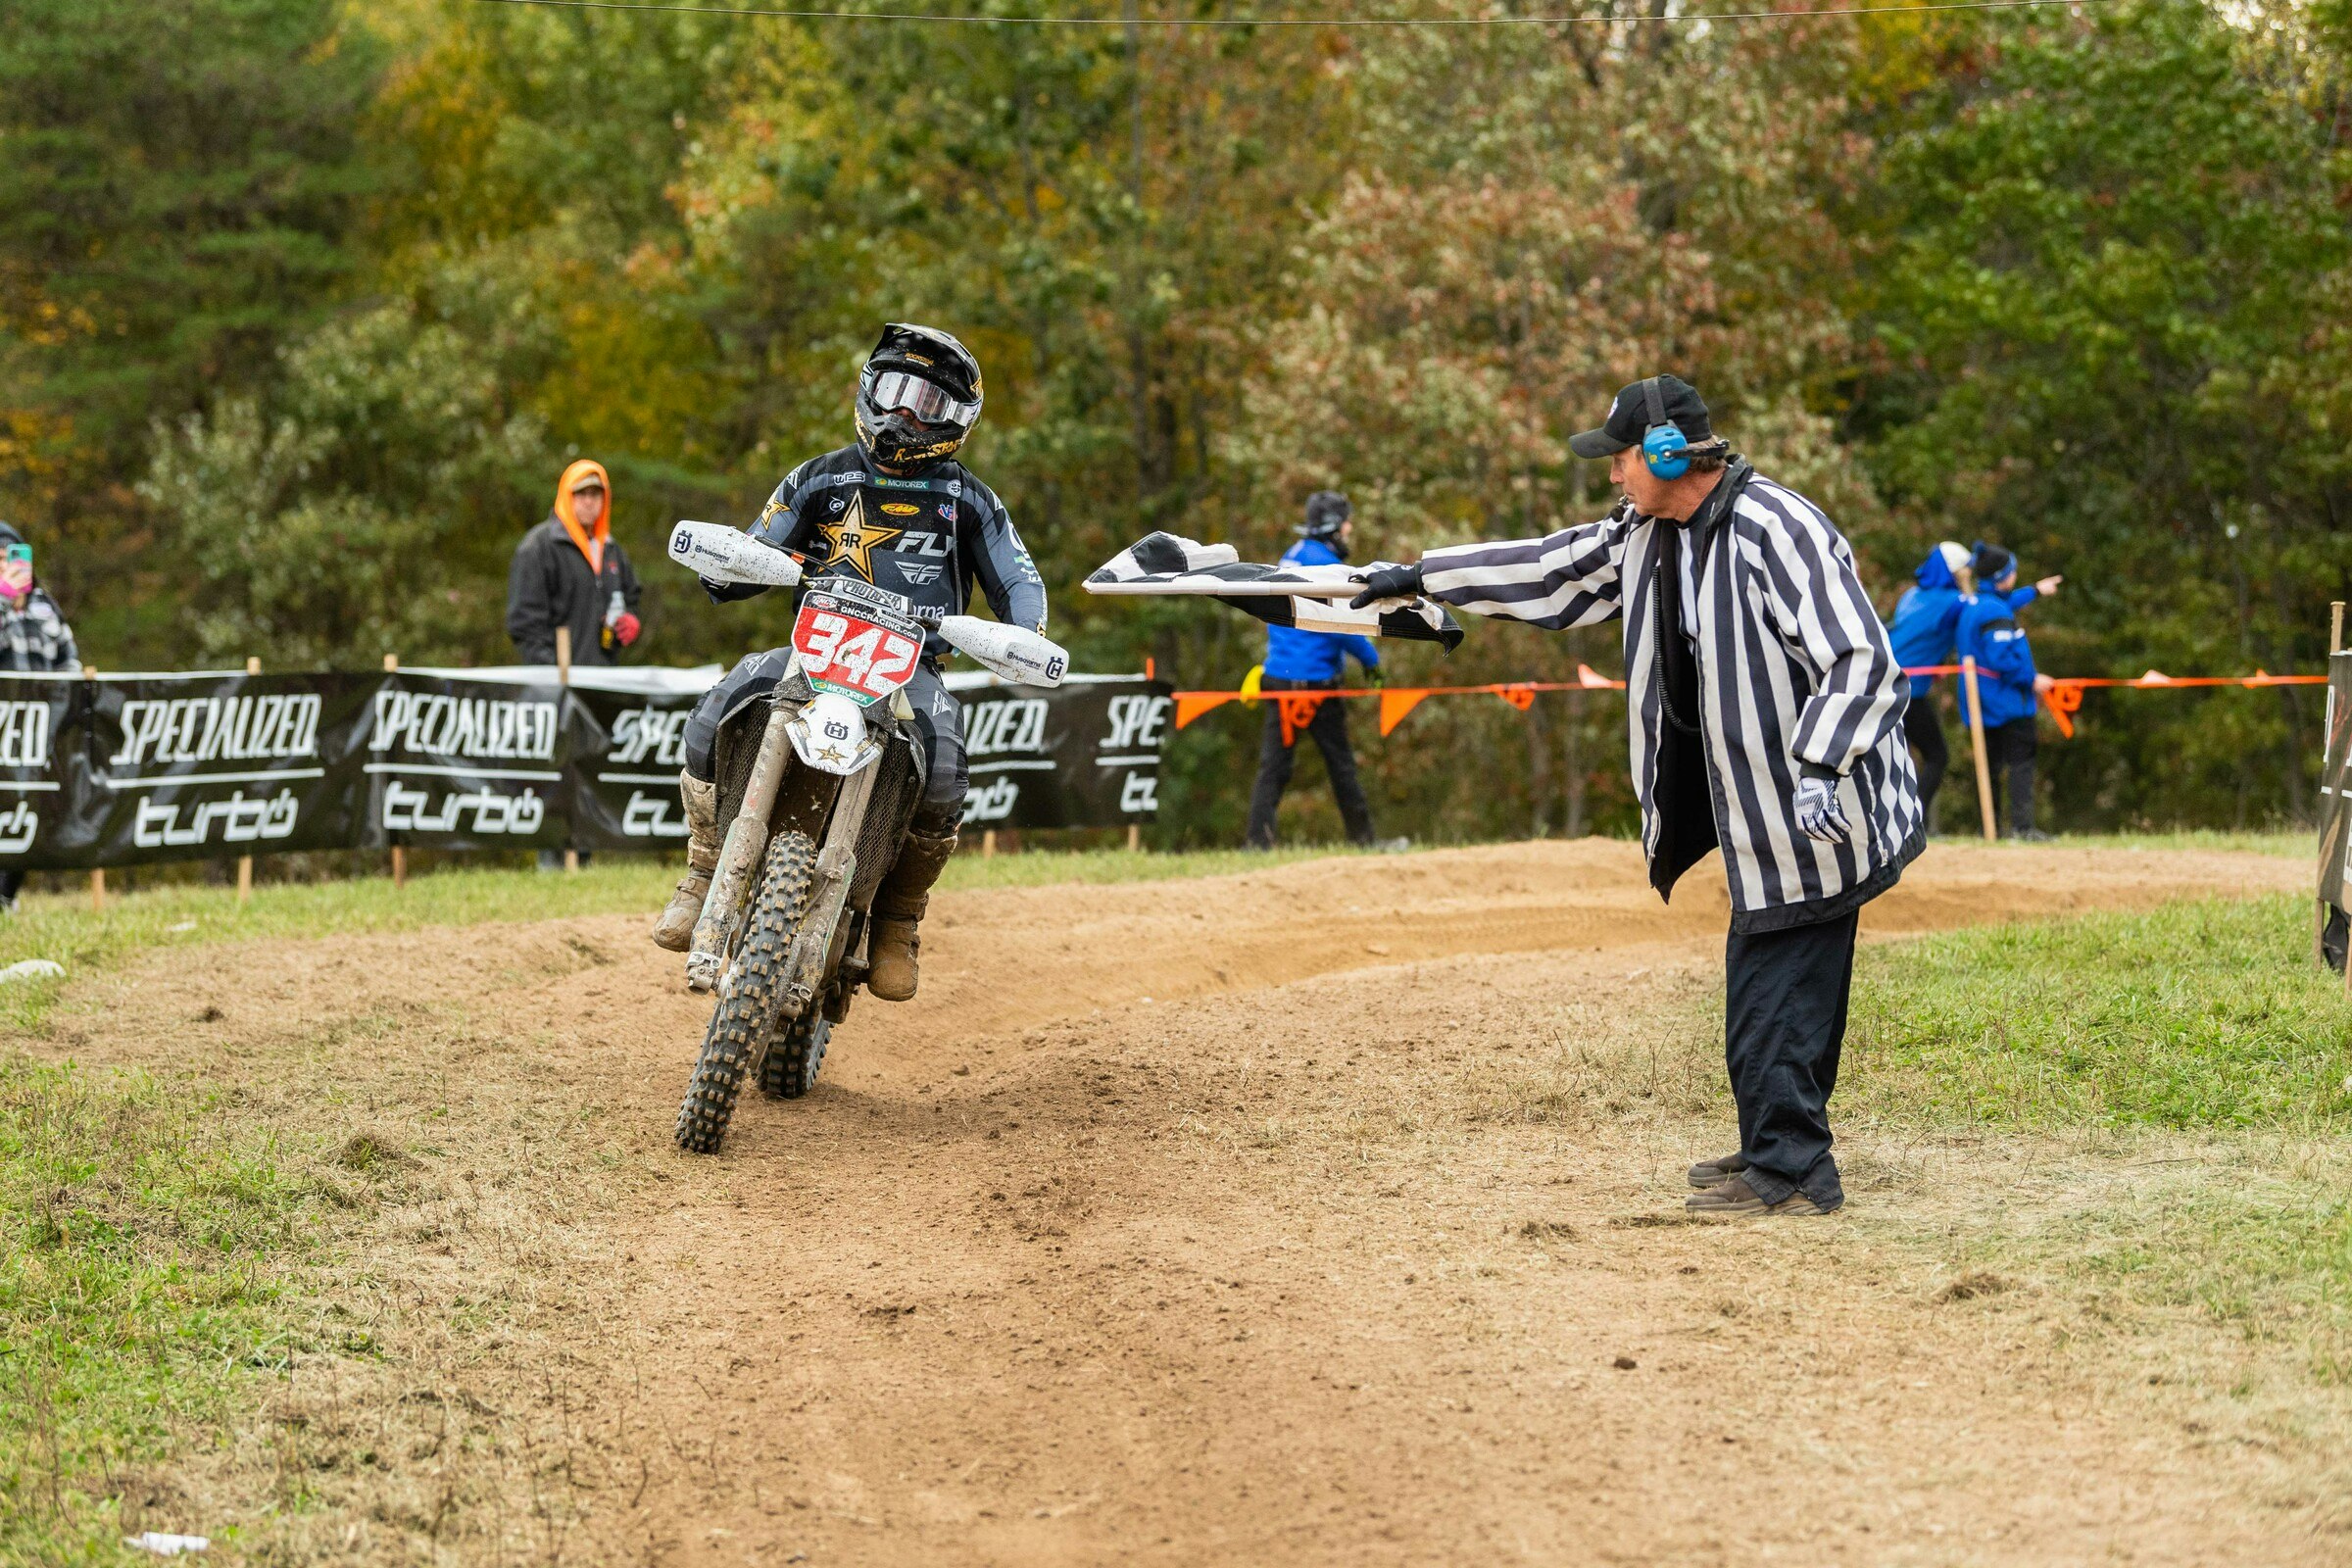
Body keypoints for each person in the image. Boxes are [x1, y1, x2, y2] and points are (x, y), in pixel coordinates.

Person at [1351, 375, 1921, 1219]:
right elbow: (1551, 569)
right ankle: (1778, 1143)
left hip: (1817, 809)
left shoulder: (1780, 530)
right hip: (1761, 817)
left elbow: (1862, 662)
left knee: (1775, 994)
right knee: (1773, 985)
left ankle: (1795, 1172)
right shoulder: (1649, 530)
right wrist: (1422, 577)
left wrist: (1819, 766)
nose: (1613, 474)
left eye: (1620, 457)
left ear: (1665, 454)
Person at [651, 323, 1046, 1004]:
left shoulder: (969, 500)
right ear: (868, 391)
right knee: (724, 699)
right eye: (896, 392)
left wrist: (1027, 636)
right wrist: (731, 564)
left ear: (956, 423)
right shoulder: (820, 477)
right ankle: (703, 866)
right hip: (817, 648)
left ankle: (897, 919)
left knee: (947, 760)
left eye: (928, 405)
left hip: (911, 665)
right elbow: (754, 549)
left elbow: (1019, 581)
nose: (905, 414)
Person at [1887, 542, 2059, 827]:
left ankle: (1907, 824)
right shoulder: (1954, 602)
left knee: (1894, 760)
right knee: (1936, 756)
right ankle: (1912, 825)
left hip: (1884, 681)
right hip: (1905, 690)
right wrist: (2035, 591)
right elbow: (1992, 607)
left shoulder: (1912, 595)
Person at [1245, 491, 1381, 849]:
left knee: (1273, 768)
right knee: (1341, 765)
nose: (1351, 528)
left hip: (1279, 676)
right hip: (1316, 684)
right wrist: (1371, 661)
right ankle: (1364, 842)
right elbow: (1341, 625)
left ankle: (1257, 845)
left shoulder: (1289, 557)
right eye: (1347, 521)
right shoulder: (1328, 568)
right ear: (1334, 528)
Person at [1954, 543, 2056, 841]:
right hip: (2008, 703)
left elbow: (2007, 602)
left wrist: (2036, 590)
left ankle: (1990, 828)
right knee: (2021, 762)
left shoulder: (1977, 604)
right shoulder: (1994, 611)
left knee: (1990, 766)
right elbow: (2000, 656)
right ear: (2002, 576)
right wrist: (2032, 680)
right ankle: (2023, 828)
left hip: (1983, 705)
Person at [0, 522, 78, 911]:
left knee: (33, 814)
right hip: (2, 733)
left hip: (41, 734)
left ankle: (6, 896)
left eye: (11, 556)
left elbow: (70, 659)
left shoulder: (46, 607)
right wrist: (3, 599)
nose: (7, 564)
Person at [507, 460, 643, 667]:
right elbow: (524, 623)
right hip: (556, 682)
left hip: (604, 678)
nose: (589, 501)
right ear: (566, 496)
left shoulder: (610, 550)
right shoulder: (539, 547)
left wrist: (631, 619)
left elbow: (632, 597)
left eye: (595, 494)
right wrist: (554, 671)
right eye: (581, 494)